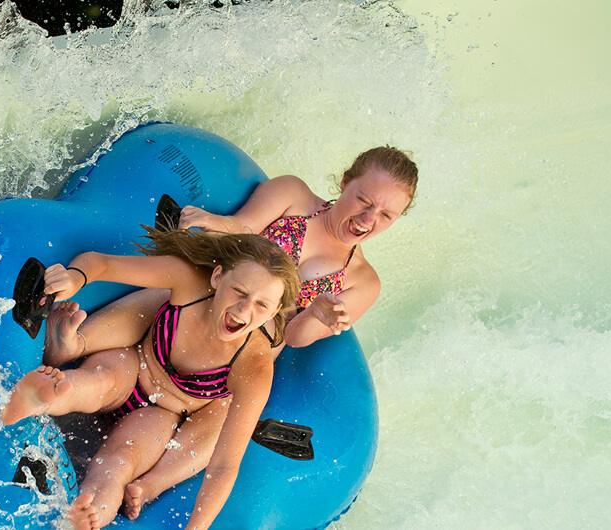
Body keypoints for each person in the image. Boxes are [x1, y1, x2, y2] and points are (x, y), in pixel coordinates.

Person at [40, 146, 418, 520]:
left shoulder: (363, 283)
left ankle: (151, 483)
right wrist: (214, 223)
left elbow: (298, 338)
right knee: (171, 297)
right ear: (345, 181)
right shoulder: (294, 195)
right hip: (197, 315)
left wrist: (315, 313)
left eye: (387, 215)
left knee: (227, 416)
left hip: (231, 368)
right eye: (363, 200)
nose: (368, 219)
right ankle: (77, 342)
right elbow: (245, 226)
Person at [0, 228, 299, 530]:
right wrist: (76, 277)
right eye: (240, 291)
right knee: (95, 381)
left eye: (262, 305)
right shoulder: (189, 283)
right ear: (218, 277)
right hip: (135, 364)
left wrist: (196, 529)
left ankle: (87, 516)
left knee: (119, 462)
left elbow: (224, 465)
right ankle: (41, 397)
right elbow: (102, 263)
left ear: (274, 311)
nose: (244, 310)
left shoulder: (254, 365)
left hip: (164, 412)